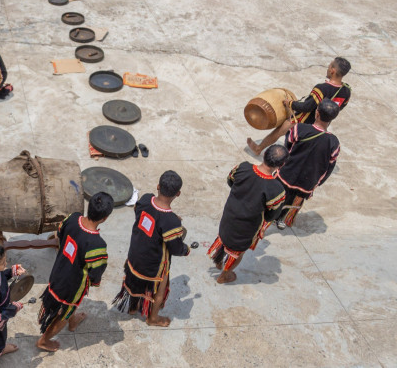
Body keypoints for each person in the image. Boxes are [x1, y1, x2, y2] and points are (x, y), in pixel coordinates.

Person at [37, 192, 113, 352]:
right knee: (63, 315)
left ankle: (73, 321)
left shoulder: (72, 218)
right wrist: (94, 282)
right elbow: (95, 275)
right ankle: (44, 341)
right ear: (105, 218)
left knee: (68, 309)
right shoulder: (97, 245)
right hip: (72, 287)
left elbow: (59, 233)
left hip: (58, 273)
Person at [112, 171, 190, 327]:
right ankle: (153, 318)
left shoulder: (146, 199)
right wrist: (186, 249)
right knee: (159, 291)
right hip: (154, 267)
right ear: (178, 193)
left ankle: (133, 307)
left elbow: (139, 211)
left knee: (134, 282)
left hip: (135, 256)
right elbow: (175, 248)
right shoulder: (171, 221)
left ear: (158, 186)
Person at [208, 145, 288, 284]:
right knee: (237, 253)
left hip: (229, 216)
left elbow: (230, 181)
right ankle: (224, 276)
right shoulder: (276, 190)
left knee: (224, 238)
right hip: (246, 227)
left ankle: (218, 262)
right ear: (281, 165)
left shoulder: (242, 167)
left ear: (264, 155)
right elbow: (271, 215)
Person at [247, 57, 351, 157]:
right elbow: (339, 108)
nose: (327, 69)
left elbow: (306, 107)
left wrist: (290, 103)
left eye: (329, 66)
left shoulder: (322, 89)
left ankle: (259, 149)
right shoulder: (346, 91)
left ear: (333, 70)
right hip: (321, 123)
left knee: (280, 132)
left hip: (302, 119)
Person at [274, 99, 341, 229]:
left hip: (287, 173)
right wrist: (317, 183)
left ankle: (269, 214)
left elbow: (287, 148)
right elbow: (329, 167)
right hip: (307, 182)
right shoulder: (334, 142)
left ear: (317, 113)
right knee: (295, 200)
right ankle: (283, 218)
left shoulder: (299, 128)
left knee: (278, 195)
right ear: (332, 119)